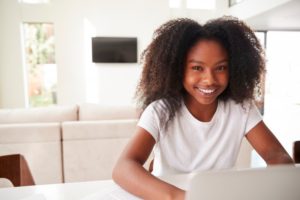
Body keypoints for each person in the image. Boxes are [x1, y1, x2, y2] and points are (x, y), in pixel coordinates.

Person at [112, 16, 294, 200]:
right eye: (197, 68)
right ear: (177, 69)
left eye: (221, 68)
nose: (210, 80)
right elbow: (123, 167)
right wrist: (183, 197)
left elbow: (277, 156)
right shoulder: (160, 111)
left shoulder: (241, 108)